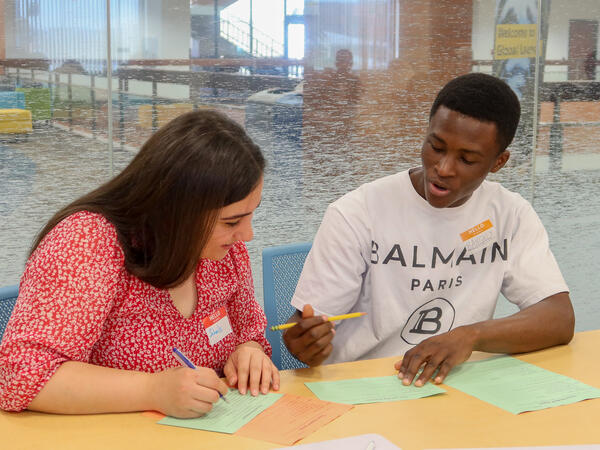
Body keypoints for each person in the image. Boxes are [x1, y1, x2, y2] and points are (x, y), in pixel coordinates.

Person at [283, 73, 575, 387]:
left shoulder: (509, 215)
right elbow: (303, 331)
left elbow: (558, 318)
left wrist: (470, 335)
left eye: (466, 159)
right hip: (365, 388)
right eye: (436, 147)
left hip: (453, 387)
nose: (443, 168)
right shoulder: (358, 212)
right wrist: (305, 342)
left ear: (498, 162)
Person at [0, 110, 279, 418]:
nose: (247, 235)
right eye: (232, 221)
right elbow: (19, 375)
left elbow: (247, 332)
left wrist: (248, 354)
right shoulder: (89, 242)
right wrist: (152, 391)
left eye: (252, 215)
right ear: (178, 211)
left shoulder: (224, 252)